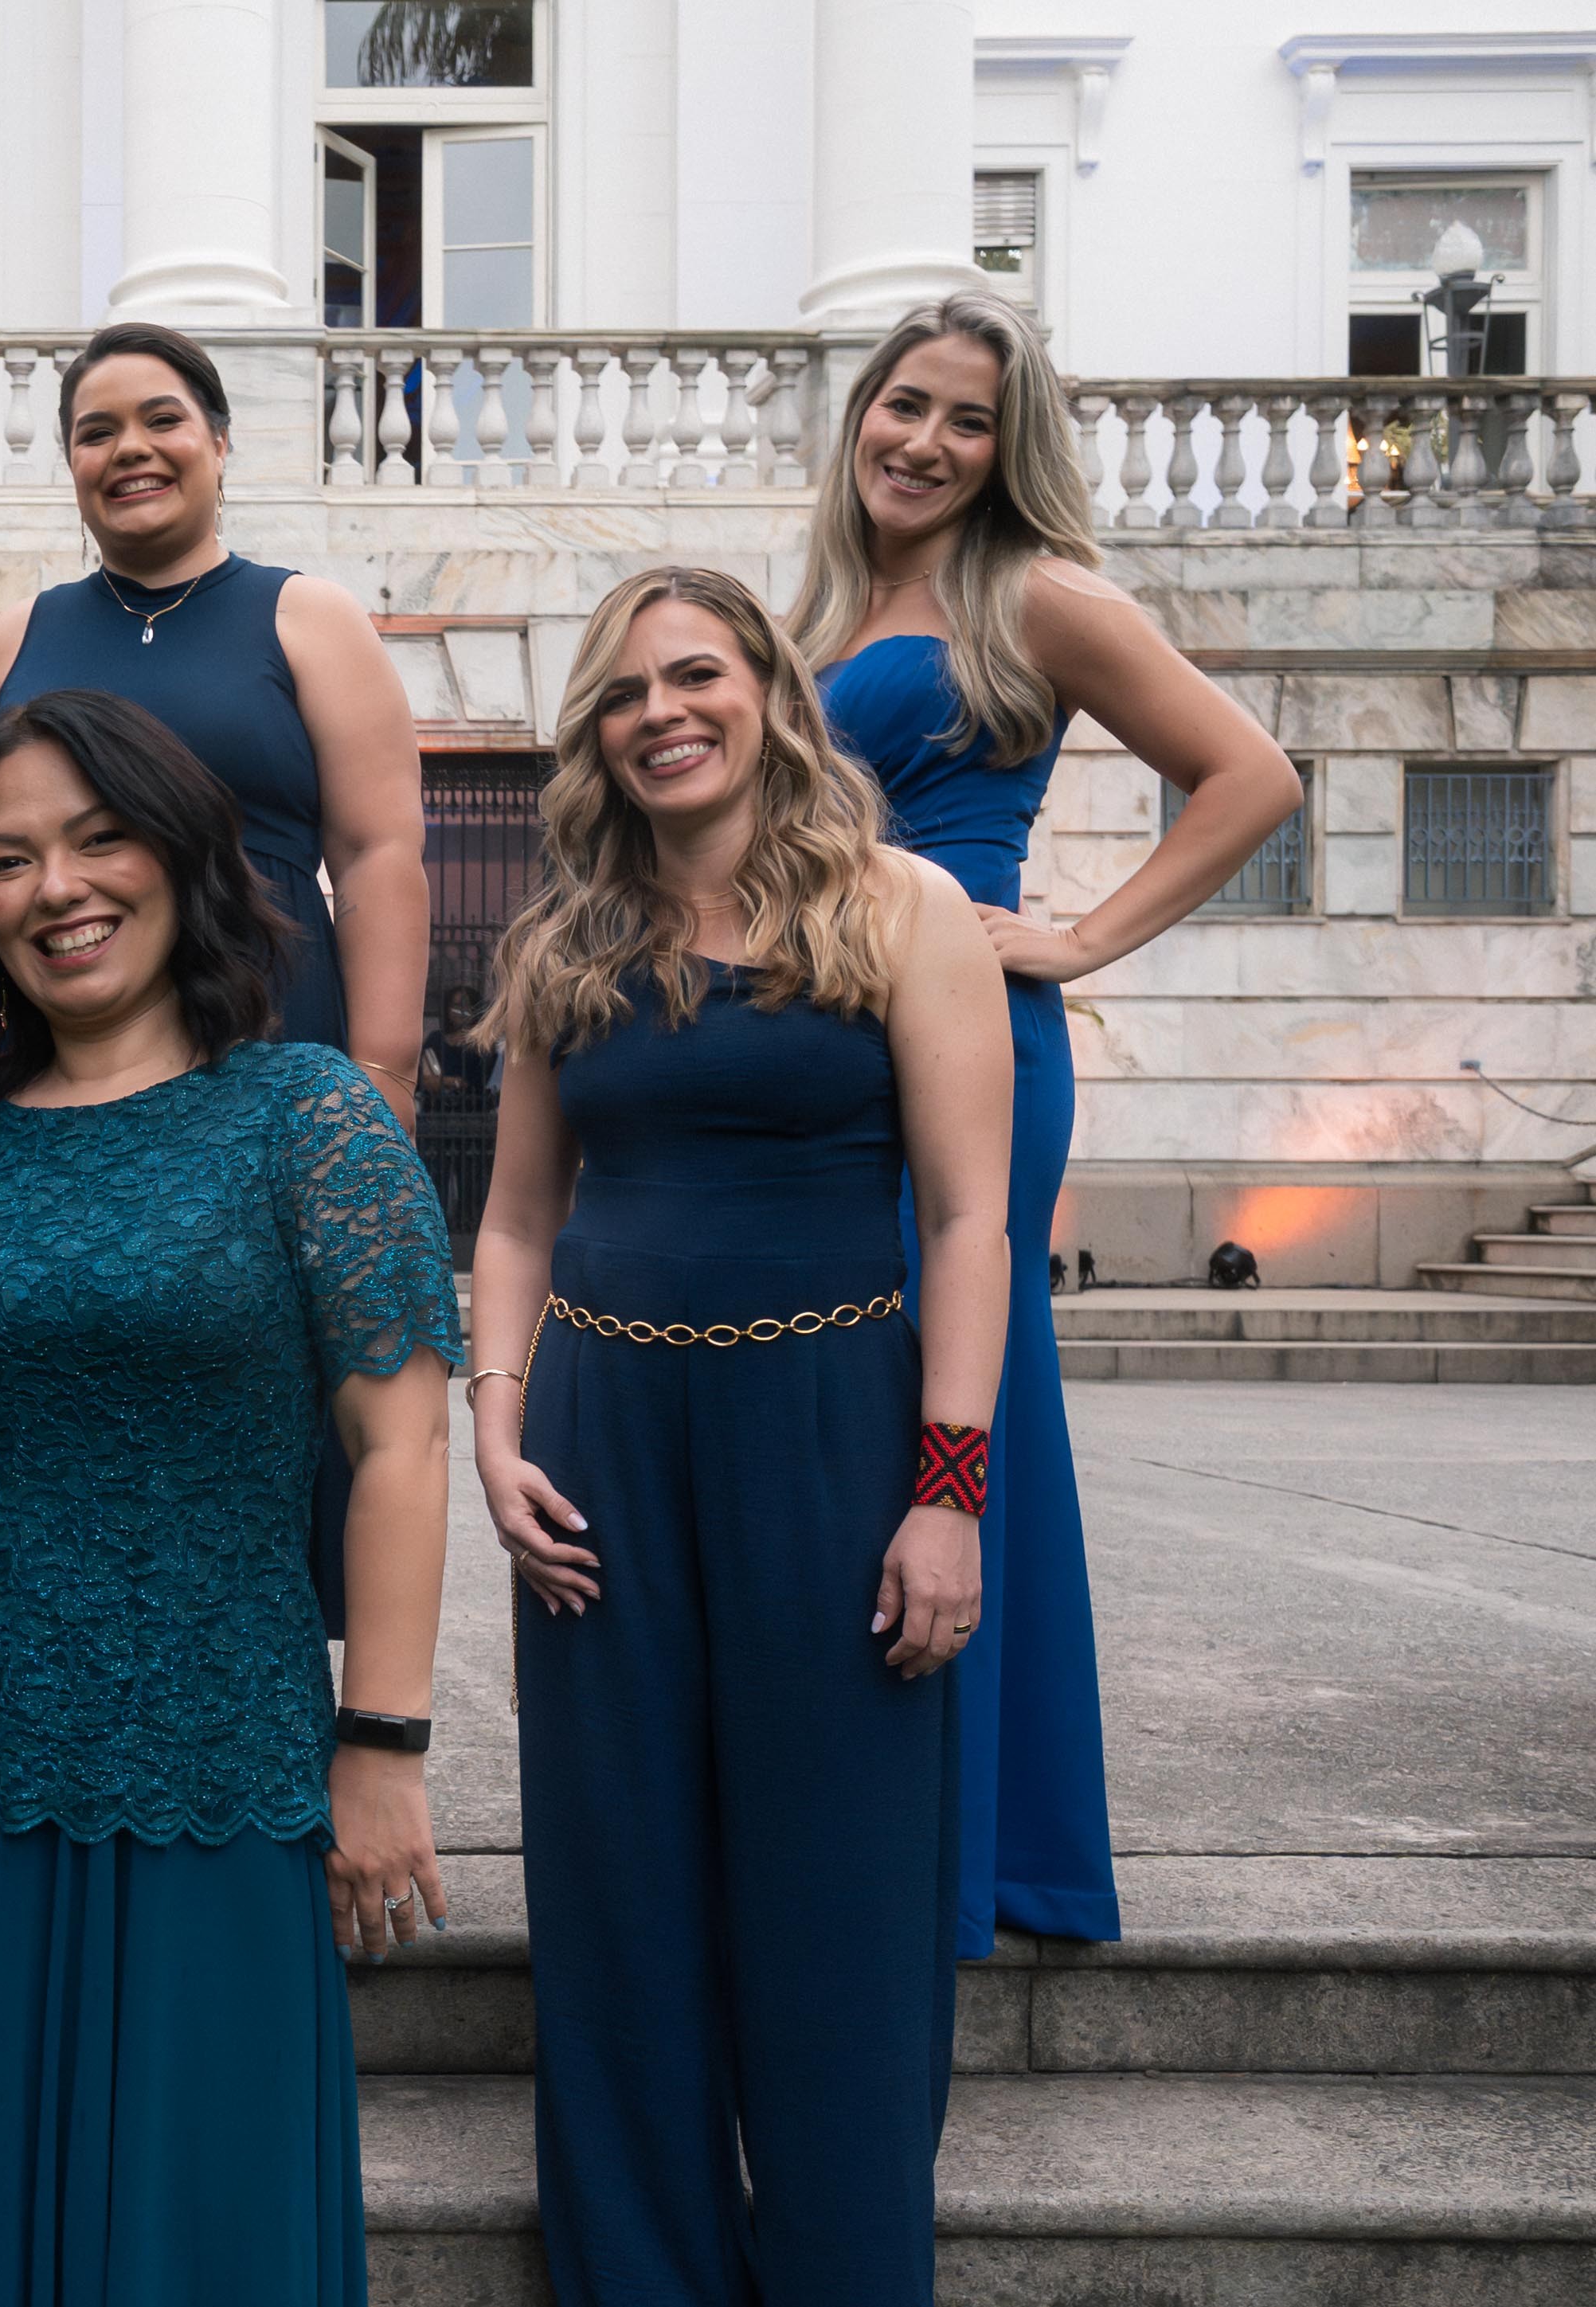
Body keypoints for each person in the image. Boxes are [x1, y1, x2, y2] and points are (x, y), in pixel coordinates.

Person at [0, 687, 460, 2307]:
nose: (57, 887)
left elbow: (401, 1448)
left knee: (186, 2223)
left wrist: (382, 1742)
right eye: (7, 857)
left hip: (209, 1762)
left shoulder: (311, 1117)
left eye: (98, 839)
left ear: (184, 855)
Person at [466, 566, 1011, 2305]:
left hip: (831, 1426)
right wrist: (494, 1426)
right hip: (600, 1437)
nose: (662, 713)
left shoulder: (906, 908)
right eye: (625, 692)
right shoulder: (564, 939)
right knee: (616, 1879)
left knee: (840, 1882)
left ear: (772, 692)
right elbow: (516, 1220)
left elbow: (970, 1222)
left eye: (695, 674)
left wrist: (947, 1493)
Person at [791, 291, 1303, 1959]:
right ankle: (882, 1818)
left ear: (1010, 450)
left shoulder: (1036, 595)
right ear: (861, 412)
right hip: (827, 1039)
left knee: (955, 1399)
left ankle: (964, 1847)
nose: (926, 442)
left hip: (964, 1028)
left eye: (968, 421)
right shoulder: (829, 604)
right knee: (855, 1402)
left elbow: (1252, 776)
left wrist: (1077, 938)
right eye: (906, 405)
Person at [0, 321, 428, 1632]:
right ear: (70, 463)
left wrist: (382, 1080)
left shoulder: (307, 616)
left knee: (280, 1376)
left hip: (270, 1036)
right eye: (97, 430)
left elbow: (378, 852)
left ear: (221, 442)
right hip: (69, 1057)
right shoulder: (19, 633)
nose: (130, 448)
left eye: (162, 418)